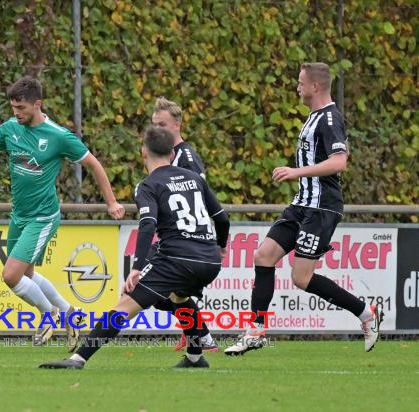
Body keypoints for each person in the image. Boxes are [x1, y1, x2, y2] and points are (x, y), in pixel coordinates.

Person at [0, 76, 125, 352]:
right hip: (20, 214)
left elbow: (93, 164)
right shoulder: (9, 129)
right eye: (13, 107)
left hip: (43, 216)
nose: (16, 113)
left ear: (37, 104)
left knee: (10, 275)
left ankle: (49, 314)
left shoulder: (58, 136)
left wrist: (111, 202)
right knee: (25, 275)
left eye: (21, 108)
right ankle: (70, 313)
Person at [224, 62, 383, 356]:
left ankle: (365, 313)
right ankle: (255, 331)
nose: (297, 87)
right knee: (263, 256)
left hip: (322, 207)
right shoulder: (315, 117)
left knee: (301, 278)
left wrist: (296, 172)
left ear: (316, 86)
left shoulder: (330, 119)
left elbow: (339, 162)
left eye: (300, 82)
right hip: (302, 204)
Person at [39, 126, 230, 369]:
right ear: (172, 154)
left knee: (124, 306)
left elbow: (148, 225)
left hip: (178, 258)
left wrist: (137, 268)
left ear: (143, 153)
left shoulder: (148, 185)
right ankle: (195, 357)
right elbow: (222, 218)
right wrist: (221, 246)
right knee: (179, 297)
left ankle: (78, 359)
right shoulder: (194, 178)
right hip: (211, 259)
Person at [150, 97, 217, 352]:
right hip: (175, 237)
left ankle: (199, 334)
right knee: (162, 294)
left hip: (188, 239)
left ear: (177, 125)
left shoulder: (186, 157)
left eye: (163, 125)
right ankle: (199, 334)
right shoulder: (168, 155)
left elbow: (201, 198)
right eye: (154, 125)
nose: (157, 130)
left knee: (154, 290)